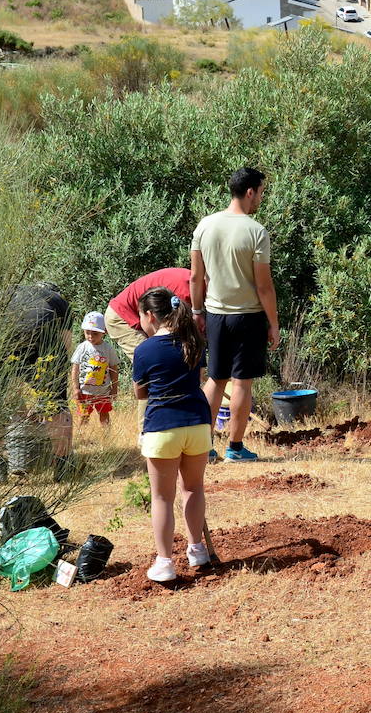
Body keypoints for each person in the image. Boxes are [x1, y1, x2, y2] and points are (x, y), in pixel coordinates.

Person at [191, 167, 278, 463]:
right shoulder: (256, 231)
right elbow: (264, 287)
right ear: (250, 191)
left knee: (215, 380)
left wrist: (196, 311)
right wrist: (274, 324)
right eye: (261, 192)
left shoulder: (204, 225)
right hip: (248, 317)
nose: (261, 199)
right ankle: (235, 448)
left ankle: (203, 446)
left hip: (215, 315)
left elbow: (195, 277)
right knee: (242, 383)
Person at [132, 288, 213, 583]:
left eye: (140, 316)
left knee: (163, 497)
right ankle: (197, 550)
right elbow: (199, 378)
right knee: (193, 488)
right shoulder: (192, 341)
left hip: (162, 426)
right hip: (197, 423)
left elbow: (141, 392)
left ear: (150, 315)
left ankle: (165, 562)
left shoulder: (144, 350)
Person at [1, 282, 77, 482]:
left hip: (2, 330)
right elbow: (66, 347)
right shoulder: (59, 301)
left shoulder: (10, 292)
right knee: (57, 406)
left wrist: (21, 404)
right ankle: (63, 469)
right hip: (43, 329)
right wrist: (52, 392)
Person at [105, 268, 193, 363]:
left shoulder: (194, 282)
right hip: (121, 315)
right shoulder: (185, 291)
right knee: (150, 360)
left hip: (145, 315)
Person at [70, 311, 120, 429]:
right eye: (88, 333)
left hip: (103, 392)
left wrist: (114, 388)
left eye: (95, 333)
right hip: (84, 392)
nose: (91, 337)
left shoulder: (108, 349)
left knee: (104, 414)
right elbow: (75, 369)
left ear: (103, 332)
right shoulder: (82, 347)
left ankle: (106, 437)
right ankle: (83, 436)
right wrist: (76, 388)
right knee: (83, 415)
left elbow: (114, 369)